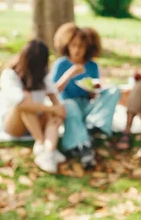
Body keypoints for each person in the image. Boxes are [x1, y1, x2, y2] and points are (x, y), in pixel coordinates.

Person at [51, 22, 121, 169]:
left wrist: (93, 90)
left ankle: (94, 127)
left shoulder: (92, 66)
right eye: (73, 45)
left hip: (86, 106)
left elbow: (94, 92)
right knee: (70, 106)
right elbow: (52, 91)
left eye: (81, 47)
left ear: (88, 48)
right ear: (67, 45)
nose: (77, 50)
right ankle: (83, 147)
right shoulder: (61, 64)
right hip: (68, 106)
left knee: (114, 90)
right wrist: (69, 74)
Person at [1, 40, 66, 174]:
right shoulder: (10, 74)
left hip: (36, 121)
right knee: (26, 101)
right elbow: (21, 104)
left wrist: (58, 113)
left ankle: (49, 151)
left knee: (51, 113)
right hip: (15, 124)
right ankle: (42, 143)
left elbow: (55, 98)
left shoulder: (43, 74)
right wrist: (52, 109)